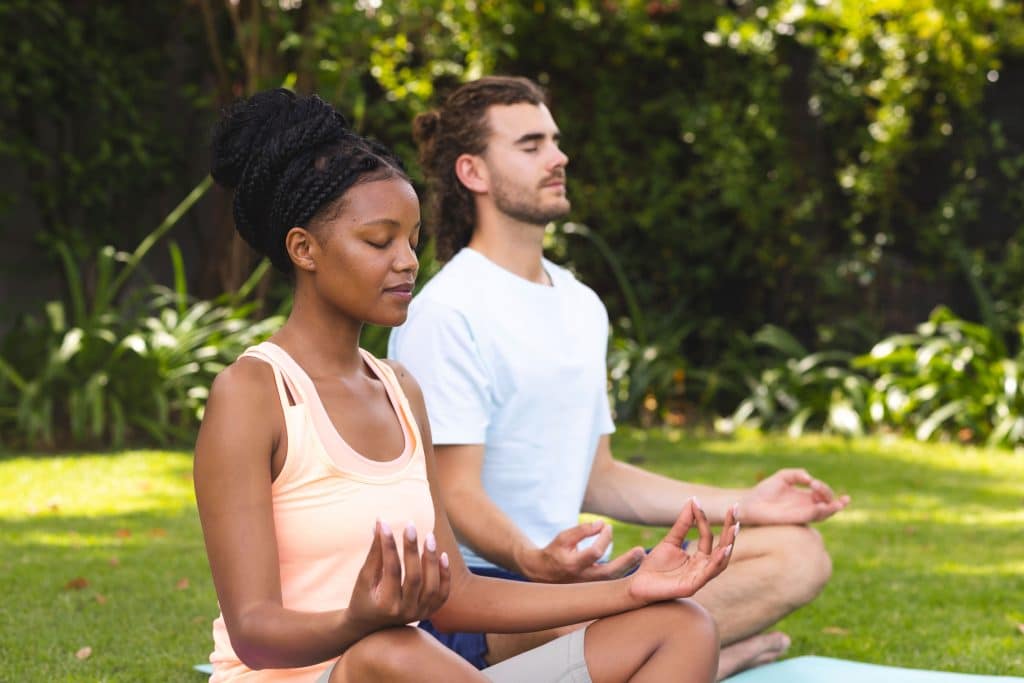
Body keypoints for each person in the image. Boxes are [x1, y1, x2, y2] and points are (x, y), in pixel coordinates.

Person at [194, 87, 740, 683]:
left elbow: (457, 593)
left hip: (421, 671)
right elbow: (253, 632)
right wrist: (357, 619)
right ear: (304, 249)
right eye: (379, 242)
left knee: (680, 625)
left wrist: (634, 589)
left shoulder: (400, 390)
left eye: (411, 240)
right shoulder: (253, 394)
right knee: (390, 649)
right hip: (318, 674)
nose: (406, 261)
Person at [388, 75, 852, 680]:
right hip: (493, 596)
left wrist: (749, 504)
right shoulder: (446, 312)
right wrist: (532, 559)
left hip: (586, 583)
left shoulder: (581, 303)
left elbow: (599, 474)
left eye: (554, 141)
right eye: (530, 146)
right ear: (472, 172)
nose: (559, 158)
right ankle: (682, 656)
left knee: (797, 554)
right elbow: (452, 492)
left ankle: (643, 655)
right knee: (632, 622)